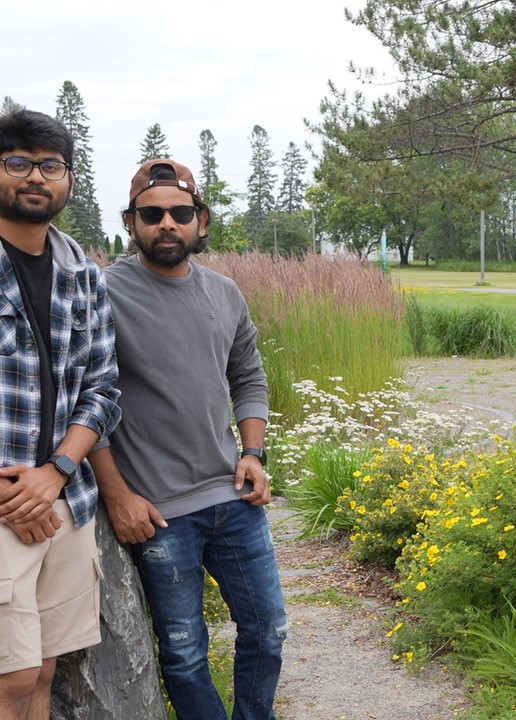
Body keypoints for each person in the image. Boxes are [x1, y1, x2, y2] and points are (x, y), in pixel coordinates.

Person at [88, 158, 287, 720]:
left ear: (201, 220)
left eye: (180, 213)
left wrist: (253, 452)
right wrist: (118, 496)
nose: (167, 224)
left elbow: (247, 375)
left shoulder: (225, 294)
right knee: (183, 651)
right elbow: (86, 398)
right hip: (159, 512)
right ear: (131, 223)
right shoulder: (102, 294)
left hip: (234, 496)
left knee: (268, 627)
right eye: (152, 214)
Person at [0, 109, 121, 720]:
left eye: (49, 165)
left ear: (68, 180)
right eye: (16, 162)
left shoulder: (84, 273)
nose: (34, 177)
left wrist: (57, 470)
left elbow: (102, 388)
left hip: (64, 499)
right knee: (10, 676)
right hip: (4, 503)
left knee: (44, 668)